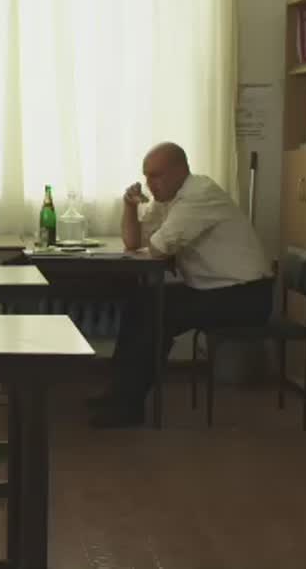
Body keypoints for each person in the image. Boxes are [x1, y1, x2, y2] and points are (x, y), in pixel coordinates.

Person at [89, 142, 273, 428]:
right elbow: (134, 242)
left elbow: (159, 248)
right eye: (146, 176)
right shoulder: (169, 199)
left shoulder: (199, 195)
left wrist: (155, 239)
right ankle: (118, 393)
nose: (150, 184)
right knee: (141, 302)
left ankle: (128, 406)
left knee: (154, 312)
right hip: (214, 289)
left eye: (156, 175)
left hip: (245, 295)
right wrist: (129, 206)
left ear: (180, 171)